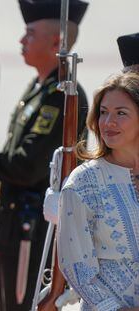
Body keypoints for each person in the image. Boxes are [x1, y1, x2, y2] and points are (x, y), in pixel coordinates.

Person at [0, 0, 88, 310]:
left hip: (30, 229)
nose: (22, 41)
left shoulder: (61, 95)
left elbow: (26, 166)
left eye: (30, 34)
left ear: (55, 42)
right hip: (12, 226)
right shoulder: (40, 88)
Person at [58, 71, 139, 310]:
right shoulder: (83, 183)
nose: (108, 122)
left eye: (121, 113)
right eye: (103, 113)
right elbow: (77, 267)